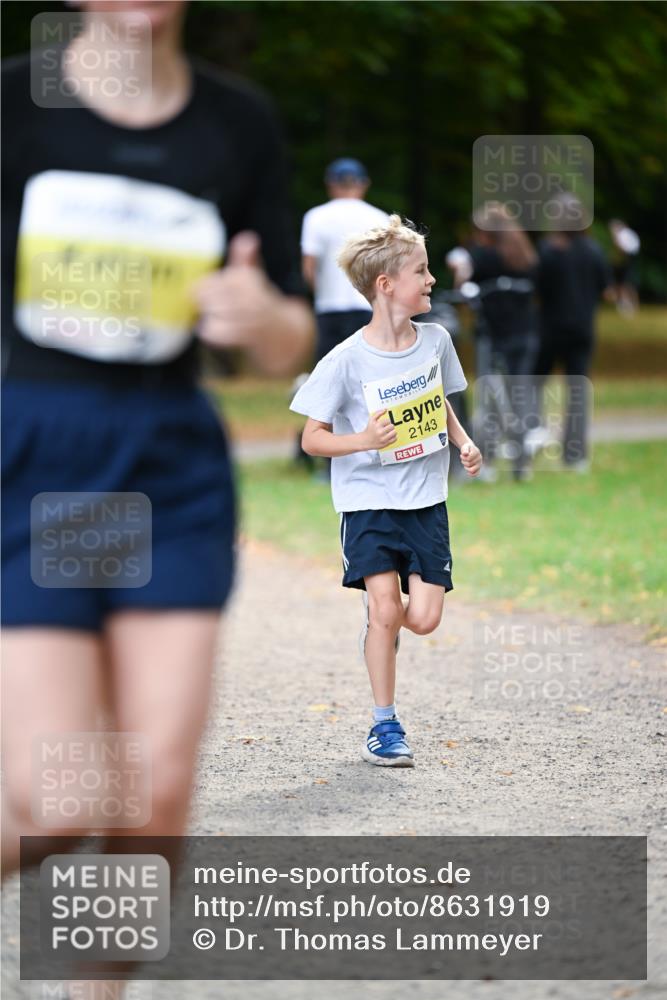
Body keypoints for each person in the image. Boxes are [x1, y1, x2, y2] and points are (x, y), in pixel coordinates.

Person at [1, 0, 311, 887]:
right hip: (33, 456)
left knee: (155, 795)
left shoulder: (238, 121)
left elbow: (289, 338)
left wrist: (262, 316)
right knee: (56, 806)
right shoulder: (13, 107)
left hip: (169, 464)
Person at [291, 216, 482, 768]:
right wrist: (364, 440)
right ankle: (385, 724)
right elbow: (311, 439)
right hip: (368, 503)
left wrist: (464, 443)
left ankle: (386, 623)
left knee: (421, 619)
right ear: (386, 285)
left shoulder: (437, 341)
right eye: (421, 271)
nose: (431, 280)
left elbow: (438, 402)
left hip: (425, 500)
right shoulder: (346, 359)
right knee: (383, 609)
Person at [296, 158, 388, 472]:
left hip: (330, 309)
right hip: (368, 308)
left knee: (327, 381)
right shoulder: (379, 218)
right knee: (371, 379)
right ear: (363, 184)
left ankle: (325, 454)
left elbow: (309, 267)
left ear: (331, 184)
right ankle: (378, 447)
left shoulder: (316, 216)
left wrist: (320, 292)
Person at [446, 202, 539, 481]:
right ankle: (521, 457)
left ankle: (485, 456)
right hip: (525, 334)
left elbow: (462, 290)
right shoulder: (525, 256)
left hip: (493, 336)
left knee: (490, 398)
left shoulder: (482, 257)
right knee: (519, 396)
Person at [534, 193, 613, 470]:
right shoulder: (593, 250)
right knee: (578, 392)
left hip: (549, 330)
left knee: (533, 384)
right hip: (582, 330)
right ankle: (575, 455)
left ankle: (533, 435)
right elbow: (607, 291)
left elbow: (536, 291)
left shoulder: (546, 251)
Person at [609, 219, 641, 316]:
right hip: (631, 258)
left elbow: (621, 249)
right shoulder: (628, 233)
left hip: (626, 260)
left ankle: (625, 307)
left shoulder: (622, 234)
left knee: (623, 283)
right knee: (626, 283)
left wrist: (616, 259)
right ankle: (631, 306)